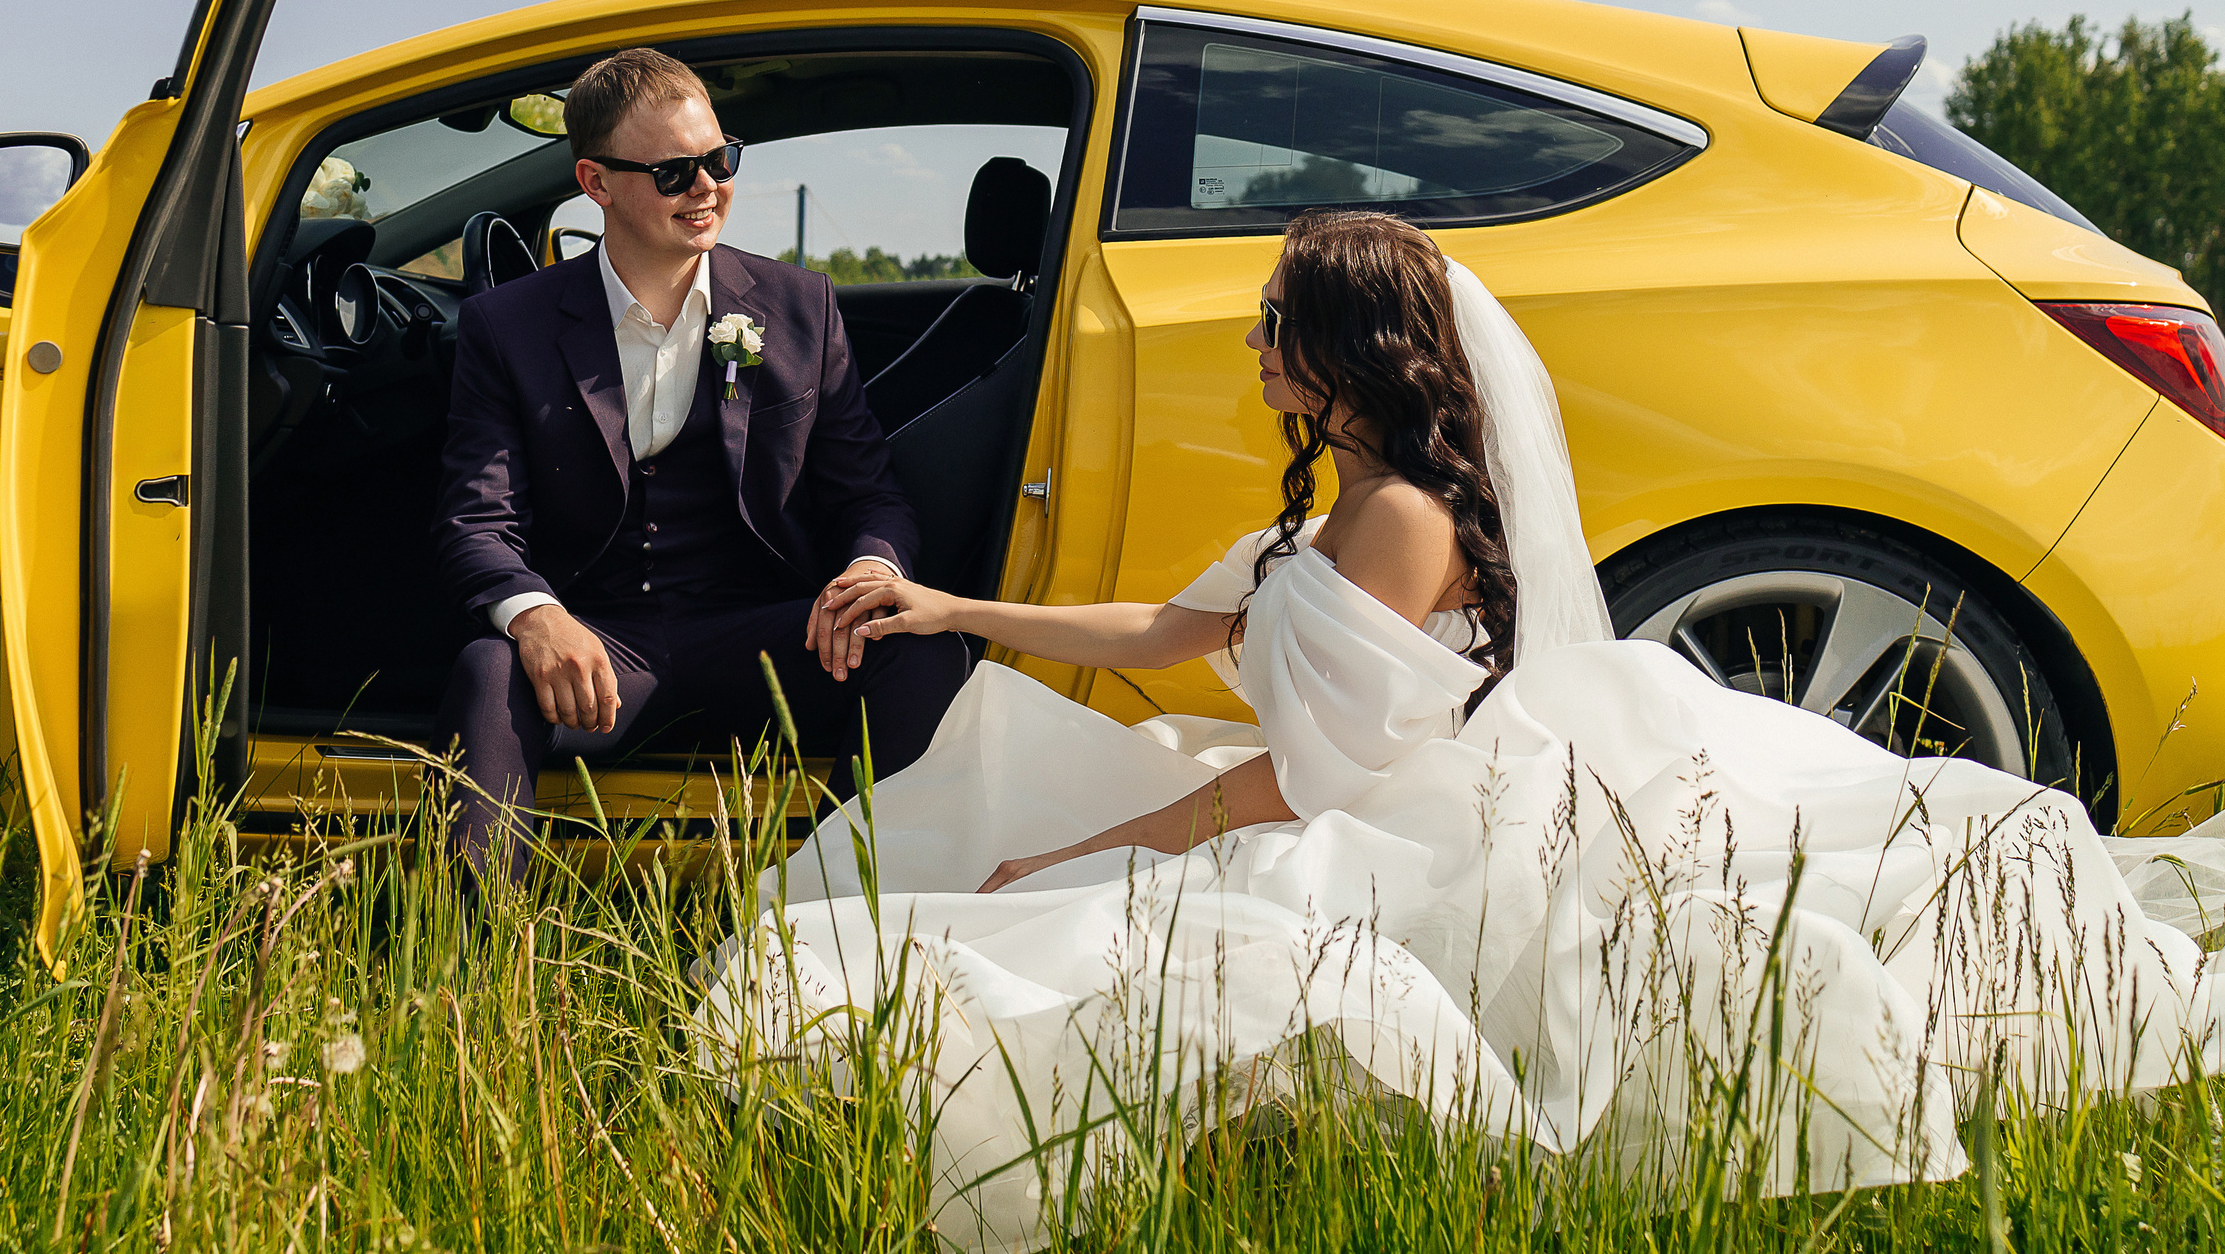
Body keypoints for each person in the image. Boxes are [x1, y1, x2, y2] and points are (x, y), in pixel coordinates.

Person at [703, 208, 2225, 1252]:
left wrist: (1076, 852)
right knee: (996, 791)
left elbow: (1302, 783)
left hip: (1371, 820)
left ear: (1348, 346)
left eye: (1270, 324)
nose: (1247, 345)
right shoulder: (1349, 494)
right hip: (1314, 784)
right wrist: (954, 610)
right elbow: (1175, 634)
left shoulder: (1402, 520)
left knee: (1040, 894)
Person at [432, 47, 969, 874]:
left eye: (720, 160)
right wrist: (537, 617)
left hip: (762, 636)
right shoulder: (508, 325)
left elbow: (871, 493)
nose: (708, 187)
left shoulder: (799, 306)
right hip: (602, 647)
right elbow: (476, 519)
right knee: (488, 666)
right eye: (675, 170)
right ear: (596, 181)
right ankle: (469, 972)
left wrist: (870, 568)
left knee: (916, 642)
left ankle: (850, 916)